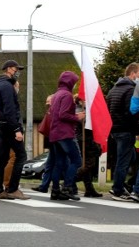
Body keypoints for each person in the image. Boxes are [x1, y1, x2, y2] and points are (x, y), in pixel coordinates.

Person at [0, 60, 30, 200]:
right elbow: (10, 109)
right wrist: (16, 129)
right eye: (15, 69)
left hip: (1, 125)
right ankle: (12, 189)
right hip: (9, 125)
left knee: (2, 159)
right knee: (21, 156)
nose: (17, 72)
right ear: (8, 69)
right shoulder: (7, 86)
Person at [106, 62, 139, 200]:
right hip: (126, 129)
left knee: (130, 157)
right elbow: (131, 113)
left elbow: (108, 109)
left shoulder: (113, 89)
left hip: (115, 129)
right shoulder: (131, 89)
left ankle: (123, 185)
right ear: (132, 74)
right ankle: (118, 190)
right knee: (124, 160)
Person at [48, 71, 84, 201]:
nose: (74, 85)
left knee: (59, 162)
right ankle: (67, 187)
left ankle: (55, 190)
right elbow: (63, 114)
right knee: (77, 160)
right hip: (65, 133)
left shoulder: (56, 95)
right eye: (74, 82)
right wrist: (77, 117)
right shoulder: (67, 95)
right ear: (70, 83)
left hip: (55, 133)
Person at [74, 96, 102, 197]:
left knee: (87, 166)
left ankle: (89, 189)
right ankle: (70, 181)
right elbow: (84, 123)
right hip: (85, 140)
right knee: (88, 164)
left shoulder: (84, 110)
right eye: (85, 100)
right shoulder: (80, 111)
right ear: (80, 101)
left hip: (86, 139)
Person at [32, 95, 56, 193]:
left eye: (48, 101)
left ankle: (53, 186)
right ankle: (45, 186)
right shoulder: (50, 111)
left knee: (56, 164)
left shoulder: (53, 111)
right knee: (50, 165)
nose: (46, 103)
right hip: (52, 142)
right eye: (46, 101)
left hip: (55, 141)